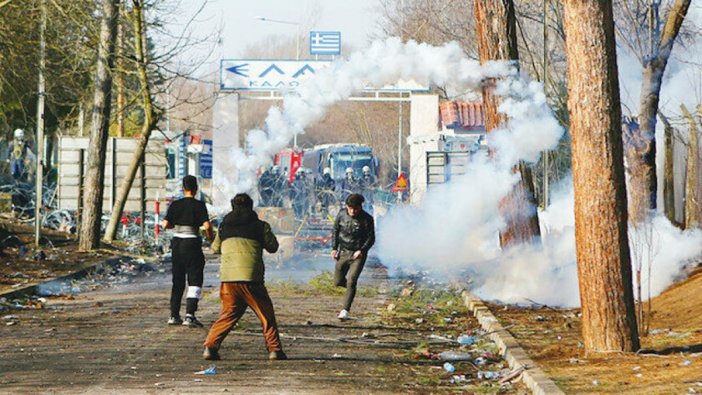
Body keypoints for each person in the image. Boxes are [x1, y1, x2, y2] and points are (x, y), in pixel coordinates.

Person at [203, 193, 287, 361]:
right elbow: (273, 247)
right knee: (266, 315)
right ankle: (275, 350)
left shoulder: (224, 226)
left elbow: (215, 248)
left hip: (228, 280)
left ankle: (210, 347)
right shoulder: (260, 226)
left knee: (228, 314)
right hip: (251, 279)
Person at [162, 175, 213, 327]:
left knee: (177, 281)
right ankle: (190, 315)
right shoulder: (199, 205)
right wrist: (210, 239)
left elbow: (165, 224)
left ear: (183, 188)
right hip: (192, 244)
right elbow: (208, 226)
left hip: (177, 244)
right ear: (196, 189)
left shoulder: (175, 205)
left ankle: (173, 315)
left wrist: (176, 226)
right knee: (195, 279)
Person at [331, 193, 375, 321]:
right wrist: (334, 248)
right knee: (338, 281)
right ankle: (352, 290)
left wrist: (362, 250)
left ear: (360, 207)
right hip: (343, 252)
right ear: (346, 206)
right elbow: (335, 231)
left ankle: (345, 310)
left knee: (351, 279)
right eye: (350, 208)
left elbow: (371, 238)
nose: (353, 211)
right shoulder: (341, 214)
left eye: (355, 208)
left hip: (358, 255)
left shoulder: (367, 219)